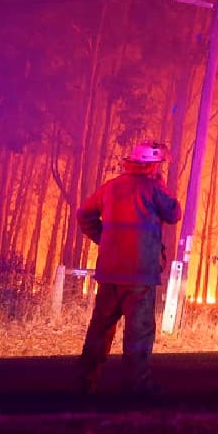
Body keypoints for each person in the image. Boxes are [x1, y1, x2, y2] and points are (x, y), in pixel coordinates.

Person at [77, 140, 181, 394]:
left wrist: (104, 239)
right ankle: (137, 387)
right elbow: (174, 213)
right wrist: (161, 185)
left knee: (100, 328)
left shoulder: (111, 187)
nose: (159, 169)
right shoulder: (153, 188)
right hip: (140, 275)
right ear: (150, 166)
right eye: (158, 165)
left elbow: (83, 214)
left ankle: (86, 382)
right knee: (139, 332)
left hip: (110, 271)